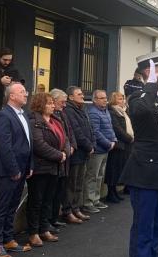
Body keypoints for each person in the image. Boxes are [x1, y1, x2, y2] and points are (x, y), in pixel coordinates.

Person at [119, 51, 158, 257]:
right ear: (149, 71)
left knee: (157, 226)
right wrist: (150, 86)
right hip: (145, 174)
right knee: (144, 226)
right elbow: (139, 112)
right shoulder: (139, 96)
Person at [0, 82, 34, 257]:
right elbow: (4, 146)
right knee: (2, 207)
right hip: (8, 171)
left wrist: (30, 165)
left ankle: (8, 239)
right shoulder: (3, 116)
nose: (26, 94)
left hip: (22, 169)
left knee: (12, 207)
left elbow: (29, 144)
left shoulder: (23, 114)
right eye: (22, 92)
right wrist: (14, 169)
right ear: (12, 96)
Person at [26, 92, 68, 247]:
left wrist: (65, 152)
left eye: (52, 103)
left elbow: (65, 138)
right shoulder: (34, 121)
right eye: (49, 103)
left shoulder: (56, 120)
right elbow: (39, 144)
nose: (52, 105)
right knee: (36, 201)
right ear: (40, 104)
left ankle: (44, 228)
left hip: (55, 166)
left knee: (48, 200)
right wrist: (59, 155)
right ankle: (33, 232)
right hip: (41, 167)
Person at [62, 86, 94, 222]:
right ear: (70, 97)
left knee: (79, 183)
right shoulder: (69, 110)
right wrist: (88, 146)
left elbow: (89, 128)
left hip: (84, 152)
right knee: (72, 184)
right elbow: (77, 131)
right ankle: (68, 211)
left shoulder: (81, 109)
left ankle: (76, 208)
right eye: (79, 94)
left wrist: (92, 144)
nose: (82, 96)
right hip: (77, 153)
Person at [84, 89, 117, 212]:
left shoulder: (105, 111)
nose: (105, 100)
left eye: (105, 98)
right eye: (102, 98)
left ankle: (96, 199)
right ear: (95, 100)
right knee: (92, 176)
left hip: (106, 149)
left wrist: (113, 139)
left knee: (100, 176)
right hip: (98, 149)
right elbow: (96, 132)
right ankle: (88, 202)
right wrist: (108, 143)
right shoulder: (93, 112)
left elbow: (110, 127)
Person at [49, 89, 77, 227]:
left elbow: (69, 131)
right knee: (52, 192)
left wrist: (72, 145)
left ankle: (54, 219)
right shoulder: (50, 116)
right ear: (53, 100)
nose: (64, 105)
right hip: (56, 159)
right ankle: (49, 221)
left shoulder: (63, 114)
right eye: (62, 102)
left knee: (60, 190)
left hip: (65, 158)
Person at [105, 91, 134, 204]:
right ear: (113, 100)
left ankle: (114, 192)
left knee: (118, 169)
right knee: (113, 170)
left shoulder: (123, 112)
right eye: (120, 99)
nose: (122, 101)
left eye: (123, 98)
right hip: (118, 144)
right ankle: (111, 193)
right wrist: (129, 138)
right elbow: (117, 128)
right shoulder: (113, 112)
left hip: (125, 145)